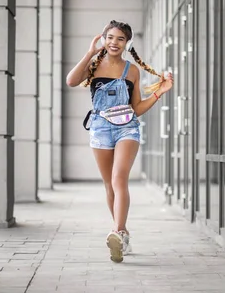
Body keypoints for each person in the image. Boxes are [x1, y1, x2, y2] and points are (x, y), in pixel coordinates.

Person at [65, 20, 174, 263]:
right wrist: (90, 52)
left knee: (118, 178)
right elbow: (71, 81)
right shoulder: (93, 64)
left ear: (127, 43)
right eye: (110, 37)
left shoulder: (132, 70)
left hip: (127, 129)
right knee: (109, 185)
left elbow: (136, 108)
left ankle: (117, 232)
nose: (115, 42)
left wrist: (160, 91)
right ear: (103, 39)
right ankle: (122, 231)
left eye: (120, 39)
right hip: (100, 129)